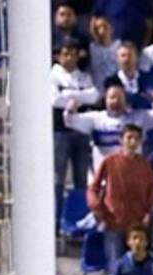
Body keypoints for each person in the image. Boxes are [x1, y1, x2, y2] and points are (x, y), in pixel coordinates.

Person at [87, 124, 153, 271]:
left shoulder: (145, 164)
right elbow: (93, 188)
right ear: (121, 140)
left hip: (137, 226)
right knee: (115, 267)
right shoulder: (110, 161)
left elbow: (152, 192)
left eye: (136, 138)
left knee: (137, 267)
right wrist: (96, 207)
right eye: (129, 137)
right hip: (114, 222)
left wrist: (149, 214)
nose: (132, 142)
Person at [64, 83, 153, 171]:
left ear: (125, 100)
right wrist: (70, 109)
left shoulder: (137, 117)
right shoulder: (95, 119)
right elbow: (70, 121)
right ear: (105, 100)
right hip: (105, 175)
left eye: (119, 98)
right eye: (112, 98)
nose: (116, 101)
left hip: (132, 172)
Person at [52, 41, 99, 231]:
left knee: (81, 178)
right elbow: (55, 99)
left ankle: (79, 221)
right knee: (58, 179)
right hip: (60, 132)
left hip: (80, 131)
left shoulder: (84, 76)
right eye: (66, 54)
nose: (70, 58)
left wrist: (69, 95)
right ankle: (55, 221)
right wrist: (80, 95)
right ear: (58, 56)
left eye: (73, 54)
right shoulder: (52, 76)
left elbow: (94, 96)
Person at [89, 15, 121, 93]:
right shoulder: (91, 48)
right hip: (98, 91)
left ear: (111, 28)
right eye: (98, 28)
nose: (102, 31)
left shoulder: (119, 46)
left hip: (116, 89)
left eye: (105, 26)